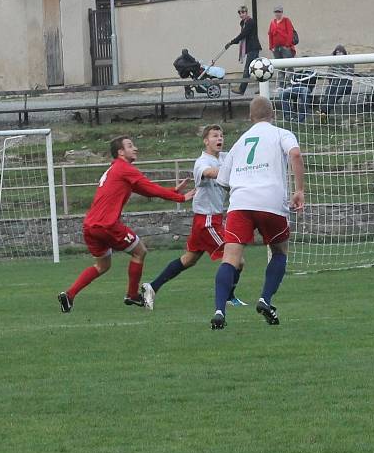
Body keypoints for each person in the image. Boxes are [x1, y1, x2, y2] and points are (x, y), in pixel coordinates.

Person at [58, 136, 196, 313]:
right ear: (120, 152)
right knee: (140, 251)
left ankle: (69, 295)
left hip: (90, 226)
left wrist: (174, 190)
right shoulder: (125, 168)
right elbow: (150, 188)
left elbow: (145, 190)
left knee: (102, 265)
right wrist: (180, 198)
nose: (135, 148)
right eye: (130, 146)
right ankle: (132, 295)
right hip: (107, 225)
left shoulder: (115, 169)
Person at [210, 96, 305, 330]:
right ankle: (265, 299)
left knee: (230, 258)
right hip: (270, 200)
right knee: (279, 250)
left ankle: (220, 310)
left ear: (250, 117)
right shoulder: (282, 133)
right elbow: (295, 154)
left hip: (240, 202)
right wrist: (299, 190)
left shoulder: (240, 142)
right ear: (272, 114)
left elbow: (223, 180)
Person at [140, 125, 246, 310]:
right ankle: (228, 297)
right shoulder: (202, 162)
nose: (219, 138)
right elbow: (210, 173)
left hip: (208, 219)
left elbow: (241, 157)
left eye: (221, 135)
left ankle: (152, 287)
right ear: (206, 141)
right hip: (207, 220)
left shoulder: (224, 157)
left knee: (189, 259)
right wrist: (233, 172)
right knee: (237, 259)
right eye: (214, 136)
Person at [225, 4, 262, 95]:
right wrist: (234, 42)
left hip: (253, 48)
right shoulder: (243, 23)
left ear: (246, 13)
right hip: (250, 48)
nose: (241, 15)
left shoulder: (250, 22)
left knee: (247, 69)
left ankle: (242, 89)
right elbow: (242, 36)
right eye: (240, 13)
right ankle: (262, 87)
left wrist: (232, 41)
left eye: (243, 12)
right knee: (256, 69)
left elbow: (244, 34)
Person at [319, 44, 353, 117]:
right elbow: (329, 76)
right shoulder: (333, 62)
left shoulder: (349, 61)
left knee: (336, 93)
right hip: (336, 83)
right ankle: (324, 114)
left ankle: (324, 111)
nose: (339, 54)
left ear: (344, 53)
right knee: (328, 91)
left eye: (340, 52)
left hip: (346, 85)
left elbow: (349, 75)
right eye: (337, 53)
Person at [268, 5, 296, 87]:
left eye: (279, 12)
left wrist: (287, 45)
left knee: (289, 66)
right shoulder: (272, 23)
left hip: (285, 47)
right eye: (276, 12)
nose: (278, 13)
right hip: (276, 48)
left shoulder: (286, 21)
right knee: (280, 67)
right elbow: (270, 35)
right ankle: (281, 85)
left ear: (282, 12)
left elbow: (290, 33)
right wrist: (271, 47)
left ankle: (291, 83)